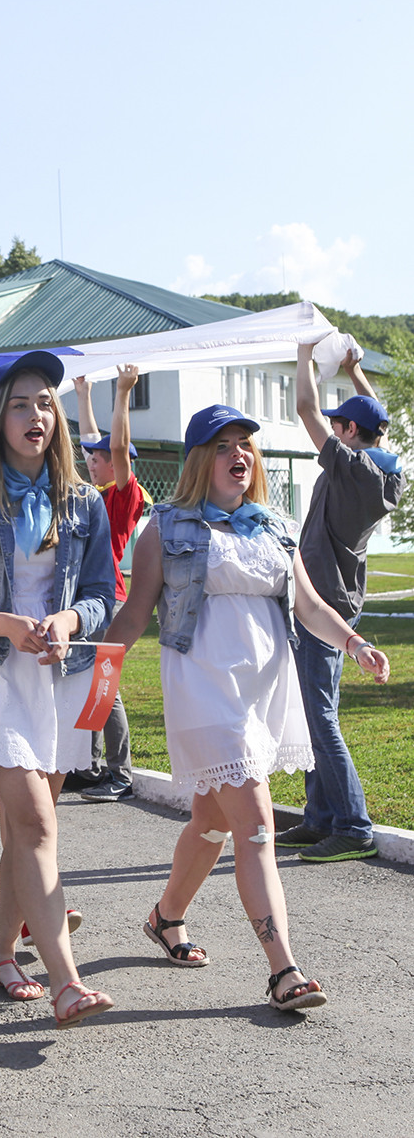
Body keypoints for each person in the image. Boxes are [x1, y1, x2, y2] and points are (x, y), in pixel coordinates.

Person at [105, 404, 390, 1011]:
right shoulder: (166, 528)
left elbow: (309, 606)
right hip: (206, 688)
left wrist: (355, 642)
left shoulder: (274, 527)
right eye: (224, 444)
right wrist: (93, 672)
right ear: (198, 459)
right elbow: (134, 614)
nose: (240, 454)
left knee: (211, 820)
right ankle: (283, 968)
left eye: (246, 445)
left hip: (264, 693)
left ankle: (166, 916)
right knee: (257, 825)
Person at [0, 351, 115, 1027]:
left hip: (59, 678)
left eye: (44, 402)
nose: (35, 414)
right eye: (19, 403)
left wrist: (69, 620)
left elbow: (102, 591)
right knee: (36, 821)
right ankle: (67, 979)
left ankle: (3, 954)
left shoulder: (82, 499)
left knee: (26, 827)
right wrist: (1, 623)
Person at [275, 344, 405, 861]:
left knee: (320, 714)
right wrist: (355, 372)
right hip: (339, 597)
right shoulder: (385, 472)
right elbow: (382, 426)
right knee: (312, 711)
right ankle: (321, 816)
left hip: (321, 603)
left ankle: (352, 824)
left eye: (340, 425)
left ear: (350, 435)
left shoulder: (351, 468)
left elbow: (305, 410)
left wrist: (304, 352)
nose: (331, 428)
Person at [67, 366, 150, 802]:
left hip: (110, 598)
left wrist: (122, 393)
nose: (90, 460)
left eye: (96, 458)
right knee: (90, 681)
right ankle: (92, 765)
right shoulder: (95, 494)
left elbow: (115, 444)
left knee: (106, 684)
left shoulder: (124, 494)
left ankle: (121, 773)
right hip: (89, 599)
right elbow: (93, 440)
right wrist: (84, 394)